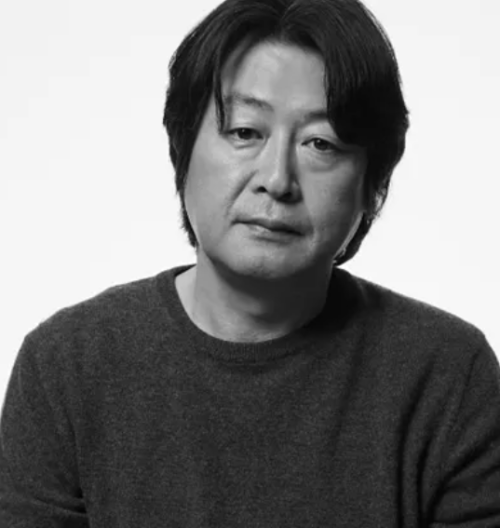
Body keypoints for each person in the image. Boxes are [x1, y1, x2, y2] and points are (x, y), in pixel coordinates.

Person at [1, 0, 499, 525]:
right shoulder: (66, 368)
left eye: (320, 143)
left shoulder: (448, 377)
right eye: (245, 132)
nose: (277, 179)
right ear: (182, 147)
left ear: (371, 185)